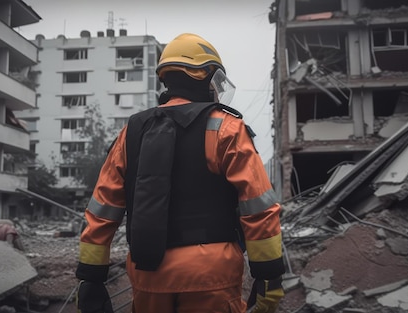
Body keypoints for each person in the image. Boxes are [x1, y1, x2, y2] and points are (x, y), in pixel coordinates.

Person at [75, 33, 285, 313]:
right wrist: (269, 275)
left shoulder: (132, 132)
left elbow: (101, 214)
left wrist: (90, 280)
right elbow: (258, 208)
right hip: (211, 274)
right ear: (204, 76)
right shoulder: (227, 128)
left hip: (148, 274)